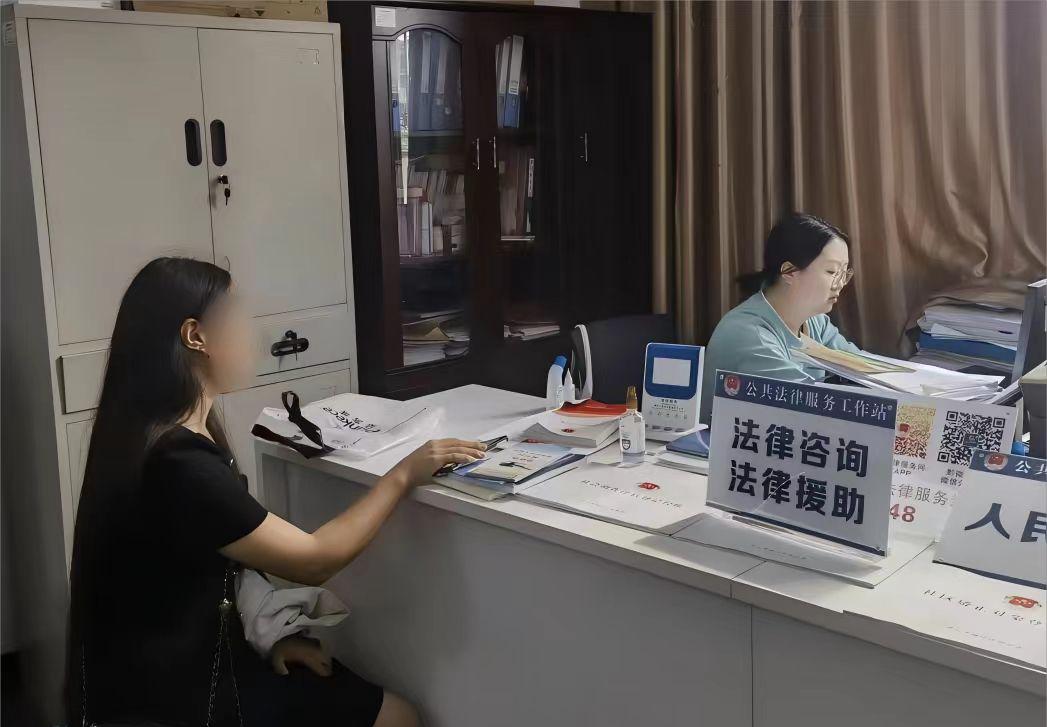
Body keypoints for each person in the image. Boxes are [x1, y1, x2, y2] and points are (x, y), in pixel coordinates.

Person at [66, 257, 486, 727]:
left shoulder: (156, 435)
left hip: (178, 672)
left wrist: (271, 640)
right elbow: (314, 560)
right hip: (183, 695)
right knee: (399, 717)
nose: (253, 334)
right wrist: (403, 475)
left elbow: (211, 572)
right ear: (195, 336)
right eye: (236, 316)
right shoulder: (180, 464)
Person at [700, 213, 861, 424]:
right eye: (831, 271)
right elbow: (808, 406)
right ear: (789, 271)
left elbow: (861, 367)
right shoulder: (748, 334)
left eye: (843, 273)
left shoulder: (816, 322)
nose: (839, 284)